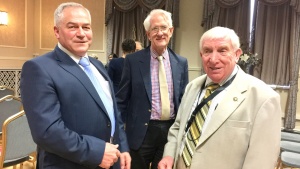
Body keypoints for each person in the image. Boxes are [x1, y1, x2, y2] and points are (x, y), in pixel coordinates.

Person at [20, 2, 130, 169]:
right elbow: (47, 132)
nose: (81, 34)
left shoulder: (97, 65)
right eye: (72, 27)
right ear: (57, 31)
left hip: (112, 160)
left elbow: (113, 113)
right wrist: (97, 152)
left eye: (86, 27)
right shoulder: (39, 68)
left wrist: (123, 147)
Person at [158, 26, 281, 169]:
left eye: (222, 50)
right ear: (201, 55)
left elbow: (261, 162)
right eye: (207, 51)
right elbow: (178, 127)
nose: (213, 59)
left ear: (237, 54)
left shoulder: (263, 98)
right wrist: (169, 155)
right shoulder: (192, 87)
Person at [116, 9, 189, 169]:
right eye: (154, 29)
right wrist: (119, 138)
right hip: (141, 132)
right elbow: (121, 102)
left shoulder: (181, 63)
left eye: (163, 28)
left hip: (170, 132)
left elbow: (184, 102)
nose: (160, 33)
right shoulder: (133, 61)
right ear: (148, 34)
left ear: (171, 31)